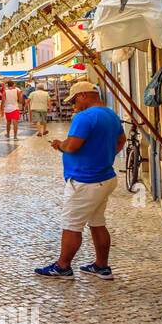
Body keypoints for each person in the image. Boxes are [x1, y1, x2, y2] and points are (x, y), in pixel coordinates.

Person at [36, 80, 125, 280]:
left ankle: (63, 266)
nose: (73, 105)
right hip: (104, 177)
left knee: (72, 224)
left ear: (83, 95)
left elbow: (73, 145)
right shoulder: (111, 114)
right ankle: (101, 266)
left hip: (86, 180)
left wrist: (60, 145)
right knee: (97, 223)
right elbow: (121, 140)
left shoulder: (84, 117)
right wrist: (105, 155)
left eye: (74, 100)